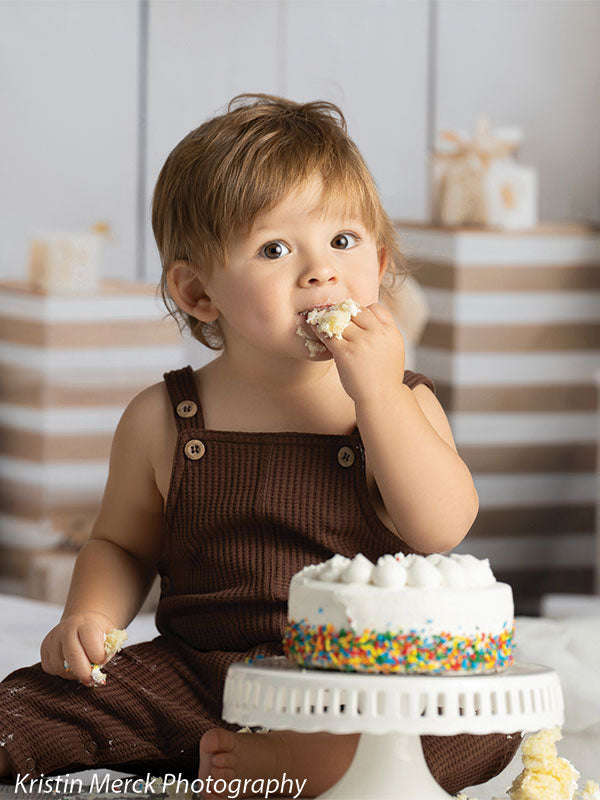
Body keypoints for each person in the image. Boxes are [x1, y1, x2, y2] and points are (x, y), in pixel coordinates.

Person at [0, 94, 520, 797]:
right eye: (275, 249)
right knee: (25, 706)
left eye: (344, 241)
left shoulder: (403, 401)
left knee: (477, 719)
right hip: (198, 673)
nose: (320, 272)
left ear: (380, 258)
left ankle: (296, 762)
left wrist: (378, 397)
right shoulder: (162, 417)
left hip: (359, 683)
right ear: (198, 292)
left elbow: (441, 528)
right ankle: (261, 757)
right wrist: (88, 618)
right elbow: (121, 545)